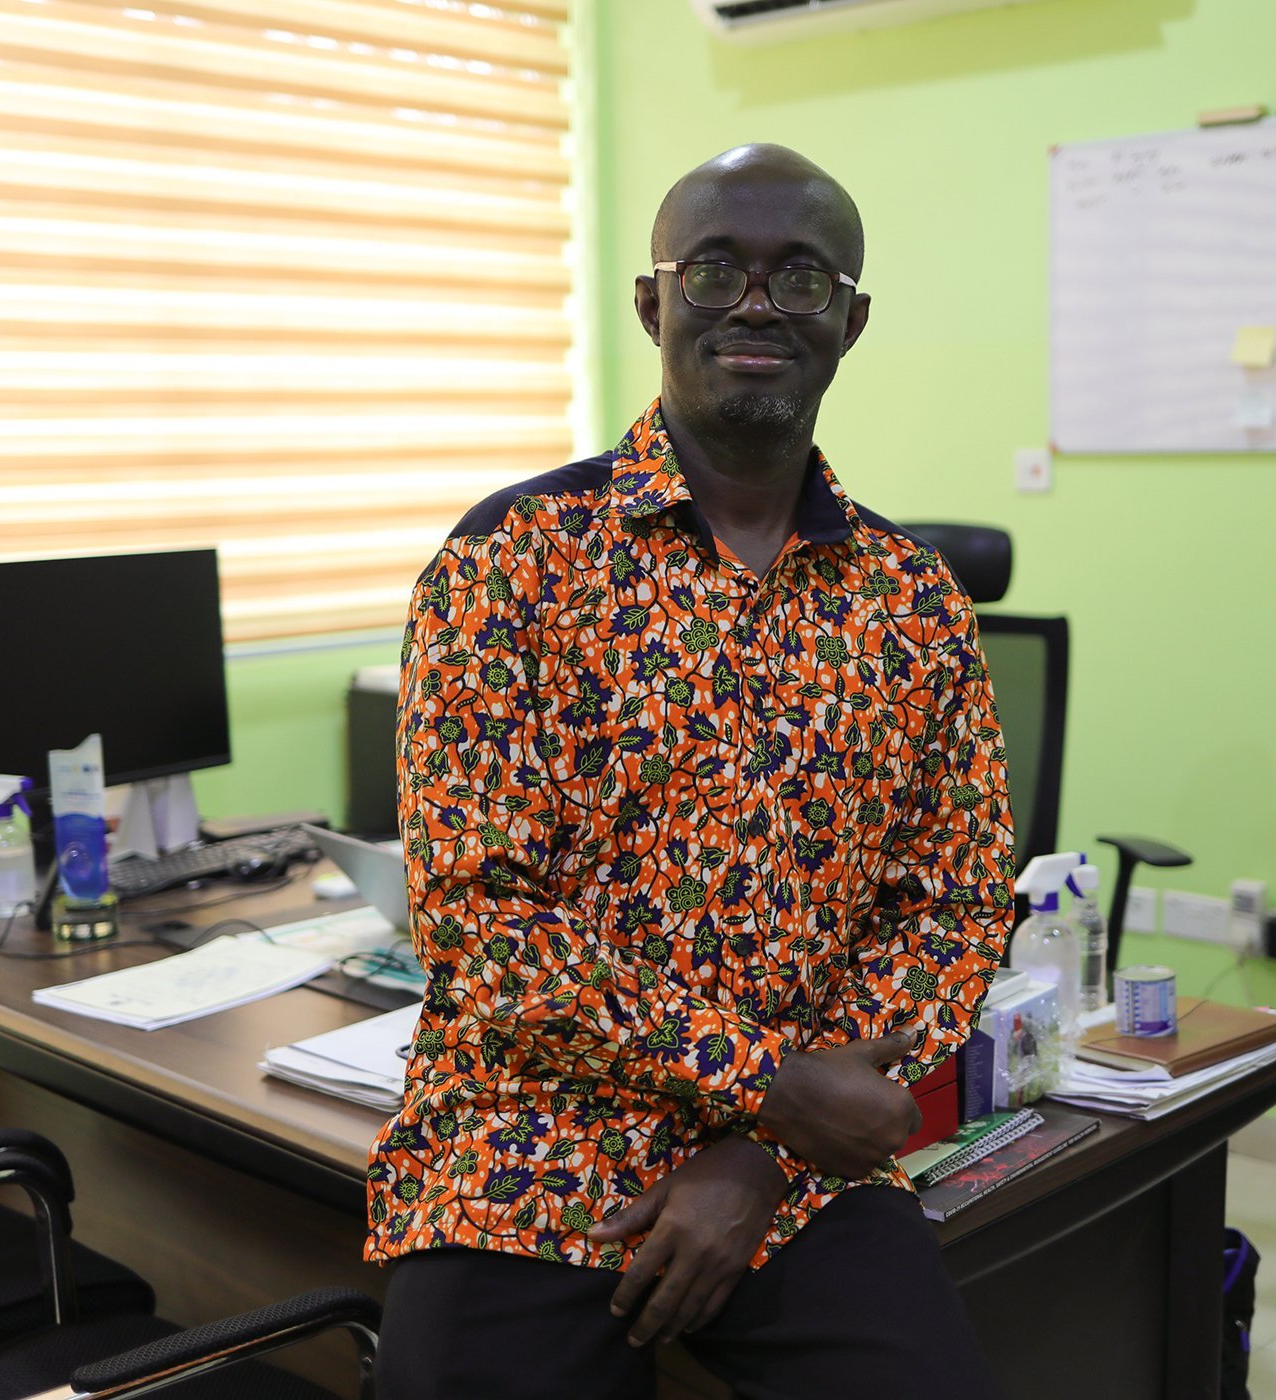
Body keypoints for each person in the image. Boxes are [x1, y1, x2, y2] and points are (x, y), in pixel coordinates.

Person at [369, 143, 1016, 1399]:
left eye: (804, 277)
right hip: (529, 1137)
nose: (758, 303)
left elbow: (955, 899)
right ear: (654, 302)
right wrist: (765, 1086)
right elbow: (478, 916)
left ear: (852, 322)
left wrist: (773, 1146)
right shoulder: (512, 559)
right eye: (716, 268)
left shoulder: (917, 601)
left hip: (800, 1168)